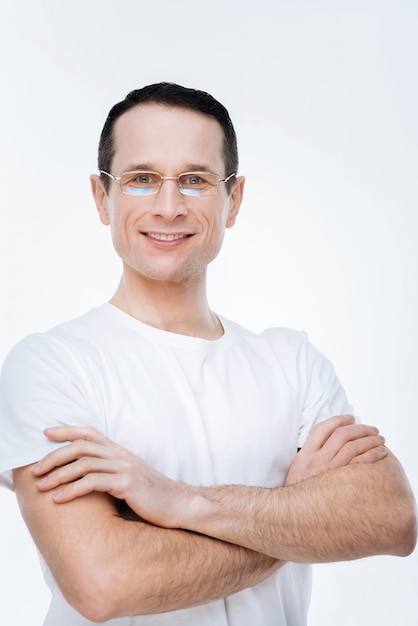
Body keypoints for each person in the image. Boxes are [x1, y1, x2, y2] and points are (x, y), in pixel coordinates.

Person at [0, 82, 416, 626]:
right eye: (142, 179)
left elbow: (392, 518)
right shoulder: (52, 366)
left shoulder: (291, 362)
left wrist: (178, 502)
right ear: (103, 198)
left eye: (194, 181)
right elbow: (103, 583)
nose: (168, 207)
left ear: (233, 199)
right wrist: (299, 519)